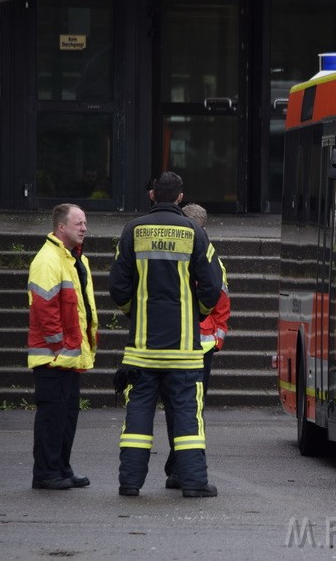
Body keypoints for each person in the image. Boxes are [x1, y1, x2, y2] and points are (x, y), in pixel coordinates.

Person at [109, 171, 223, 498]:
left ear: (151, 195)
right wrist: (197, 313)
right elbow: (213, 287)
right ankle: (193, 483)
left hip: (141, 351)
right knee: (187, 417)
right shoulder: (194, 233)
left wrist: (136, 312)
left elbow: (117, 287)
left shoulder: (132, 231)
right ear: (179, 198)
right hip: (184, 351)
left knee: (137, 418)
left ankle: (130, 483)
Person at [26, 203, 98, 490]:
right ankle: (45, 473)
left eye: (85, 222)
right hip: (53, 356)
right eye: (78, 223)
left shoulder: (73, 259)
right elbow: (45, 309)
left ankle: (61, 468)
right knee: (52, 417)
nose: (84, 227)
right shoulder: (48, 260)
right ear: (61, 227)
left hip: (68, 356)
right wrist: (60, 345)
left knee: (66, 416)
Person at [162, 203, 231, 489]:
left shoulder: (172, 254)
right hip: (197, 345)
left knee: (178, 408)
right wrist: (215, 335)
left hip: (178, 343)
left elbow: (220, 300)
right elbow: (220, 302)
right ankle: (183, 467)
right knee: (190, 410)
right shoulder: (209, 257)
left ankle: (178, 466)